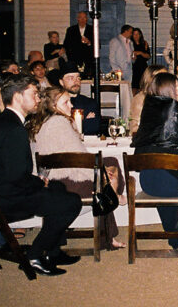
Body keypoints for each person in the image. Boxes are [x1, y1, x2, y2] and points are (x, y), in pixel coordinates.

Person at [0, 75, 82, 276]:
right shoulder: (14, 128)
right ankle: (35, 255)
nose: (39, 99)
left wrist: (39, 182)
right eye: (34, 94)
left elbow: (11, 171)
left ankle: (53, 251)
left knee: (58, 188)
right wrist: (39, 182)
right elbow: (17, 176)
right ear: (17, 96)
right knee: (72, 202)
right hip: (3, 199)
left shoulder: (0, 122)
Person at [29, 86, 123, 250]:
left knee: (109, 162)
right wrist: (101, 175)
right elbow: (81, 160)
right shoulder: (59, 123)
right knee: (103, 184)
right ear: (53, 106)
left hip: (51, 180)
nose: (71, 106)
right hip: (67, 183)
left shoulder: (40, 123)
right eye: (66, 102)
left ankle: (113, 195)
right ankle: (110, 226)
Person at [131, 72, 178, 250]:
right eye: (177, 86)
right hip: (169, 182)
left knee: (171, 170)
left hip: (148, 181)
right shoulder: (173, 109)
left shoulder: (148, 108)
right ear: (167, 90)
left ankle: (176, 234)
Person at [59, 66, 101, 136]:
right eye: (70, 78)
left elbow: (94, 128)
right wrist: (85, 122)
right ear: (61, 82)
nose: (76, 81)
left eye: (78, 77)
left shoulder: (90, 103)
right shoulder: (57, 104)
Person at [128, 65, 167, 136]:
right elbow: (135, 128)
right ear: (151, 79)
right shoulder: (141, 98)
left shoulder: (166, 96)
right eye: (161, 77)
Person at [63, 11, 95, 76]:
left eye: (84, 17)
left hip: (88, 59)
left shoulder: (92, 29)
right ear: (77, 19)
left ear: (87, 19)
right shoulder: (71, 30)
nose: (82, 19)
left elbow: (97, 45)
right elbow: (66, 44)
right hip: (74, 59)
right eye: (80, 17)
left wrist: (89, 42)